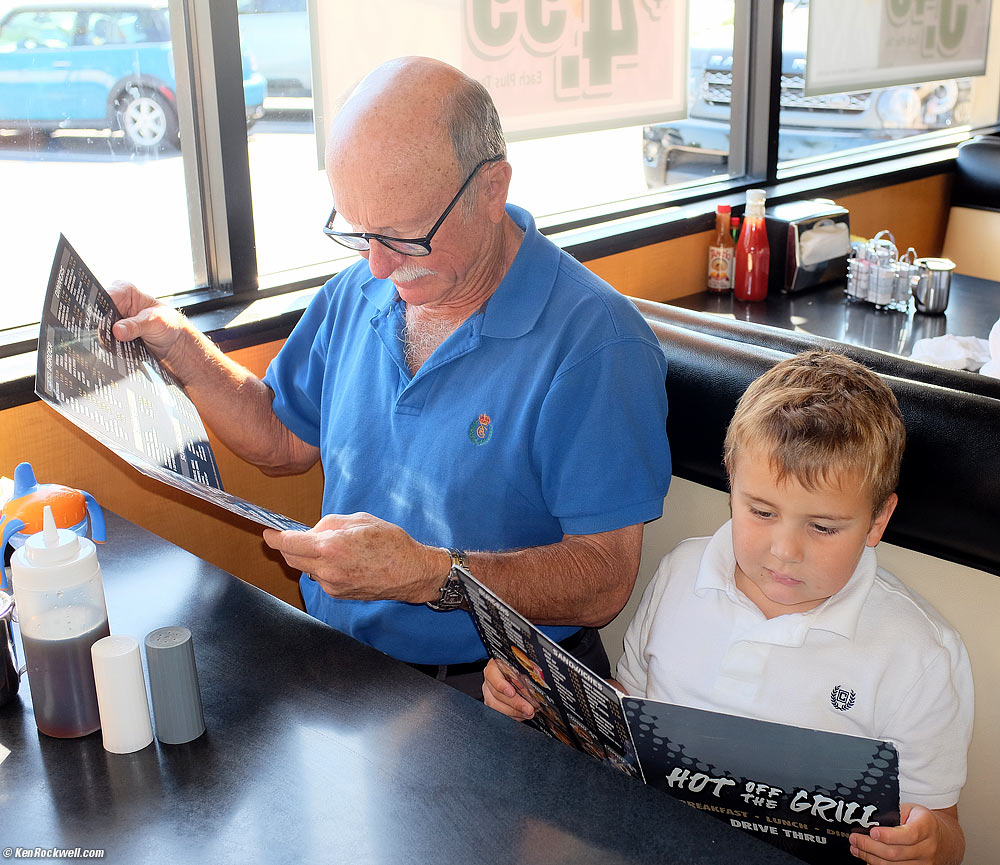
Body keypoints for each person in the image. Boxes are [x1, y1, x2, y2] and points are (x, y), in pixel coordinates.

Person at [107, 56, 671, 693]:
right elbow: (282, 441)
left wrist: (429, 574)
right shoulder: (359, 292)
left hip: (495, 697)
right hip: (340, 665)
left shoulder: (597, 344)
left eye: (405, 237)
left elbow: (602, 582)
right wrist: (178, 345)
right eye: (358, 231)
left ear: (493, 190)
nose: (376, 267)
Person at [484, 350, 972, 864]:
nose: (785, 550)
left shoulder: (920, 653)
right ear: (731, 481)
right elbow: (626, 709)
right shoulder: (681, 573)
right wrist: (543, 701)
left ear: (878, 520)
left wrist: (928, 844)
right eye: (761, 512)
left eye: (823, 527)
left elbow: (944, 829)